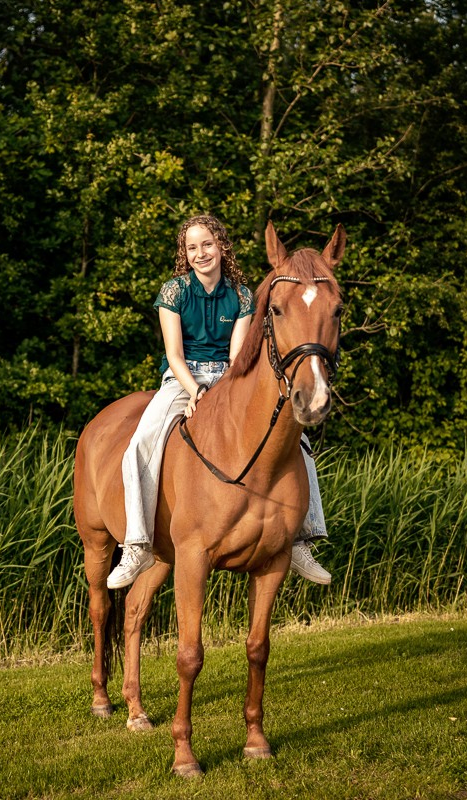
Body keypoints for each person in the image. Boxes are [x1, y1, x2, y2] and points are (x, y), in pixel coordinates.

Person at [107, 213, 331, 590]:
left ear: (221, 247)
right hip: (182, 379)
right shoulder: (173, 292)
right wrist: (195, 392)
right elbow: (174, 354)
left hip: (227, 377)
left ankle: (301, 540)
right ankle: (137, 542)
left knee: (299, 442)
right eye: (192, 247)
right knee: (142, 443)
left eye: (207, 245)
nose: (200, 253)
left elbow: (237, 354)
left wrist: (222, 394)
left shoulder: (242, 295)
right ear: (185, 253)